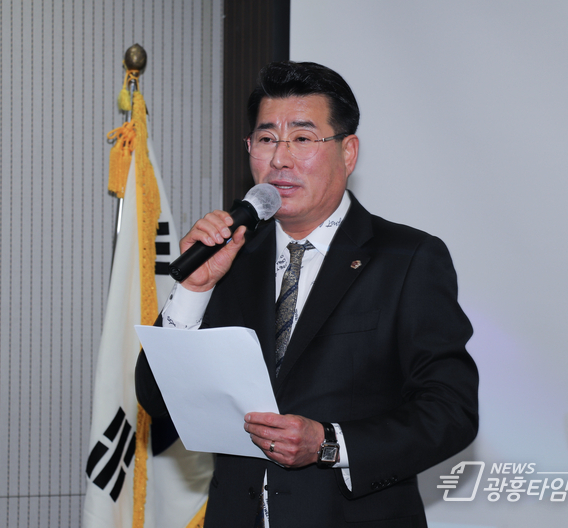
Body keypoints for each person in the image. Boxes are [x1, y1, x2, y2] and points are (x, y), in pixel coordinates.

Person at [135, 61, 478, 527]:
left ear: (348, 152)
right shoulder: (228, 258)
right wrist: (194, 290)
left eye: (302, 138)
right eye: (266, 139)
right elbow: (156, 400)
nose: (280, 159)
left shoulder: (407, 258)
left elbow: (451, 412)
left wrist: (329, 444)